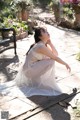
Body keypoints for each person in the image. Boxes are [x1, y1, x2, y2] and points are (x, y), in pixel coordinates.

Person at [0, 27, 71, 97]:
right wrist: (65, 64)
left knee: (50, 59)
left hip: (29, 69)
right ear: (40, 36)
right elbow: (55, 57)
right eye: (44, 31)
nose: (47, 32)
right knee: (51, 61)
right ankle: (44, 80)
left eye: (46, 31)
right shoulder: (40, 46)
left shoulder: (43, 44)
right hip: (29, 71)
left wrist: (50, 43)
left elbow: (55, 54)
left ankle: (39, 80)